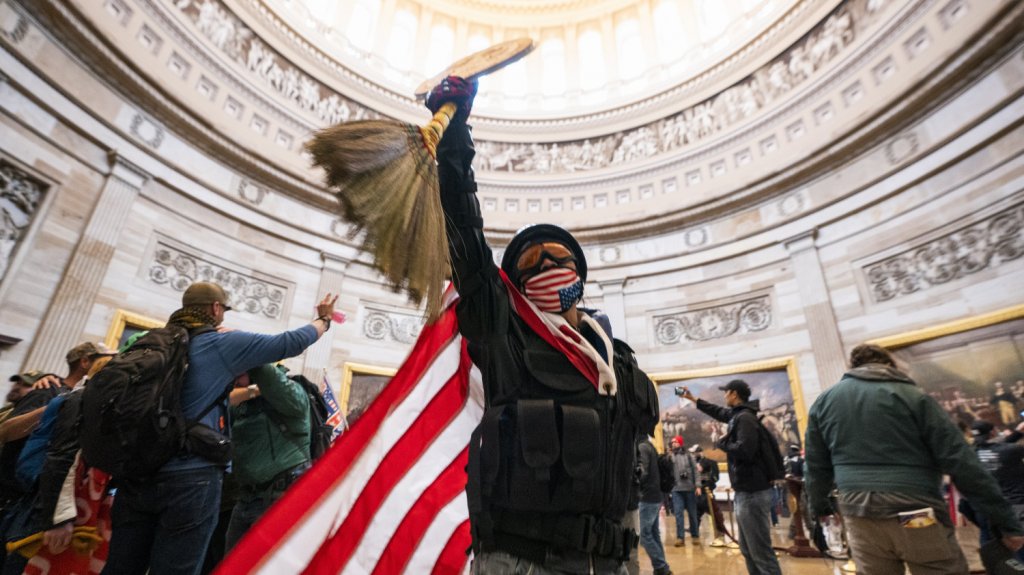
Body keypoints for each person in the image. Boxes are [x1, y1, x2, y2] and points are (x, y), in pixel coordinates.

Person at [429, 76, 659, 574]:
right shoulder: (505, 341)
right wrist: (454, 141)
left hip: (613, 559)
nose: (548, 268)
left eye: (559, 259)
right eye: (531, 265)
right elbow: (466, 246)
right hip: (522, 560)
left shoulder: (614, 355)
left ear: (580, 276)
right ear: (513, 287)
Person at [102, 282, 337, 575]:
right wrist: (324, 321)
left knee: (121, 567)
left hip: (136, 473)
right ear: (216, 309)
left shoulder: (149, 342)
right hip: (190, 478)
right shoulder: (219, 344)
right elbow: (291, 342)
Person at [804, 344, 1024, 573]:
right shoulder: (912, 396)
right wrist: (1005, 522)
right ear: (890, 365)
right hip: (913, 509)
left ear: (852, 367)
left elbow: (815, 466)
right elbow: (962, 462)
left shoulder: (824, 401)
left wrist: (820, 507)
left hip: (857, 509)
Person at [679, 381, 782, 575]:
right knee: (748, 550)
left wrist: (721, 443)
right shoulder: (739, 415)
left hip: (752, 493)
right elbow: (718, 411)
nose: (725, 396)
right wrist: (693, 399)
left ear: (734, 394)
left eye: (726, 392)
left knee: (760, 552)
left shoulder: (745, 419)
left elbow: (746, 450)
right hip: (746, 493)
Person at [225, 363, 311, 550]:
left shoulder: (292, 394)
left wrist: (251, 353)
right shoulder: (242, 403)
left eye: (241, 372)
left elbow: (273, 383)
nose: (235, 379)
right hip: (246, 499)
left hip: (279, 497)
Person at [968, 419, 1024, 561]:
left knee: (990, 545)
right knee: (1019, 545)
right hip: (1015, 505)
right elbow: (1003, 448)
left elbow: (996, 449)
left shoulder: (971, 453)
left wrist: (1017, 432)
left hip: (984, 507)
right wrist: (1017, 433)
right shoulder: (1011, 450)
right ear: (993, 431)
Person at [637, 437, 672, 575]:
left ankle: (661, 567)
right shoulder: (649, 446)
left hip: (647, 497)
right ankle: (661, 567)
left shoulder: (642, 447)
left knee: (645, 536)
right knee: (654, 534)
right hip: (655, 496)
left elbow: (642, 473)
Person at [691, 445, 726, 546]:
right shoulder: (693, 463)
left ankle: (720, 532)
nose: (694, 455)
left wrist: (708, 485)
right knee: (696, 513)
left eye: (695, 453)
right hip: (697, 491)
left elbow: (714, 477)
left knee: (715, 513)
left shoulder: (709, 462)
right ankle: (695, 534)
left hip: (707, 491)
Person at [668, 435, 699, 546]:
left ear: (680, 443)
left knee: (692, 513)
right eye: (672, 442)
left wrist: (698, 486)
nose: (674, 444)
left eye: (675, 442)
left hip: (690, 488)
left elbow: (695, 471)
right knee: (678, 514)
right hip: (676, 489)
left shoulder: (689, 455)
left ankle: (695, 535)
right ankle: (680, 537)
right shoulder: (670, 456)